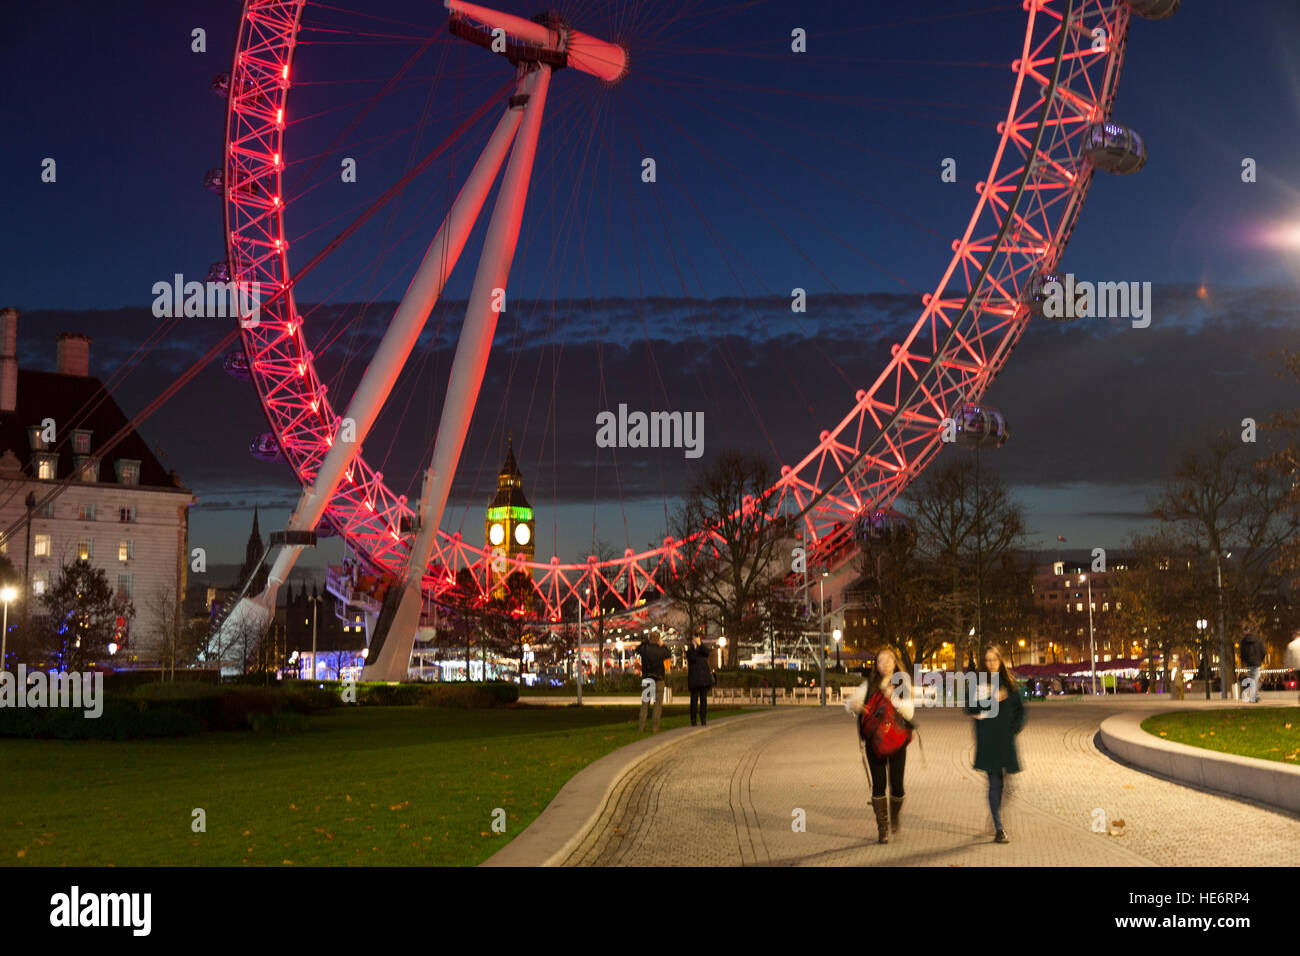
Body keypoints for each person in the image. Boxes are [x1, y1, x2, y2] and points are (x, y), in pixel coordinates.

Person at [845, 648, 915, 844]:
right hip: (874, 742)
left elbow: (909, 713)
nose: (883, 664)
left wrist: (894, 699)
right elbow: (850, 703)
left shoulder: (902, 683)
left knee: (898, 787)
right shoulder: (869, 685)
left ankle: (894, 816)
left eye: (888, 660)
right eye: (880, 660)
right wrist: (855, 706)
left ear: (894, 663)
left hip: (897, 741)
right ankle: (882, 827)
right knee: (878, 784)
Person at [964, 645, 1025, 844]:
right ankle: (999, 827)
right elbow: (969, 707)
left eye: (994, 660)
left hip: (1005, 739)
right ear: (983, 662)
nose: (991, 664)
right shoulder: (978, 683)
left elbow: (1020, 711)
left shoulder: (1009, 684)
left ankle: (995, 813)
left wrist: (1013, 729)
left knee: (1006, 785)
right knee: (994, 781)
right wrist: (991, 698)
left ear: (1000, 661)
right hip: (988, 738)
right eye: (988, 660)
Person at [635, 632, 671, 733]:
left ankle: (641, 727)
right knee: (657, 704)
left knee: (645, 704)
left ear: (649, 639)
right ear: (658, 639)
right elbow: (668, 654)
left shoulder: (645, 649)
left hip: (647, 679)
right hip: (659, 679)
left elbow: (638, 649)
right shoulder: (661, 650)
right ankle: (655, 727)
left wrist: (646, 642)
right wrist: (662, 644)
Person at [685, 634, 714, 726]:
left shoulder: (702, 650)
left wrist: (700, 644)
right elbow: (692, 658)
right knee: (694, 700)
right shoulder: (690, 651)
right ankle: (693, 719)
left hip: (703, 679)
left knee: (703, 700)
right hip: (694, 679)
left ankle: (703, 718)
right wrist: (694, 647)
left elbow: (707, 653)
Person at [1239, 625, 1267, 703]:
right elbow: (1264, 651)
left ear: (1246, 631)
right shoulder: (1258, 640)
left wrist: (1244, 661)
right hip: (1257, 663)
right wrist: (1260, 659)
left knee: (1253, 679)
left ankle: (1254, 696)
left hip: (1249, 663)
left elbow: (1242, 653)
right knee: (1255, 679)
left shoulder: (1244, 641)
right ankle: (1254, 696)